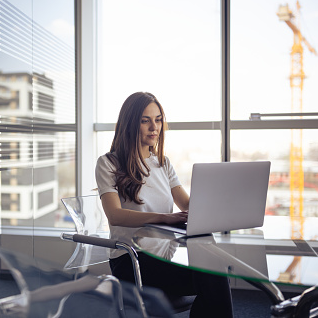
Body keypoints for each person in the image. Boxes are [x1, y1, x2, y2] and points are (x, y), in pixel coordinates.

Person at [95, 92, 233, 317]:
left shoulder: (162, 163)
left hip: (162, 258)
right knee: (212, 277)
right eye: (145, 120)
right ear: (130, 123)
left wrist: (217, 202)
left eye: (158, 119)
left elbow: (187, 204)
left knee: (214, 273)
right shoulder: (108, 163)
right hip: (131, 262)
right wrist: (164, 217)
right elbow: (115, 215)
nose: (154, 127)